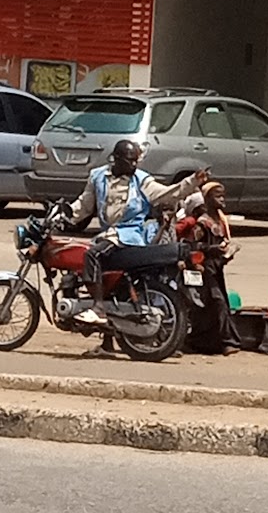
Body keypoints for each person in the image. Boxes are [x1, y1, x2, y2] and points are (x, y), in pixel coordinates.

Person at [65, 140, 206, 326]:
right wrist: (64, 215)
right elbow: (84, 205)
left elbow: (169, 193)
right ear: (116, 159)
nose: (134, 165)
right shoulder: (97, 176)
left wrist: (192, 181)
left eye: (136, 161)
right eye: (130, 160)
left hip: (127, 237)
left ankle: (98, 308)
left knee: (92, 255)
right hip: (107, 236)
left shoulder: (142, 180)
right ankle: (106, 328)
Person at [177, 179, 242, 355]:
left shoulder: (219, 221)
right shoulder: (202, 223)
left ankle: (202, 342)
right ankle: (227, 342)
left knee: (214, 305)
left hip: (216, 268)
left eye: (223, 196)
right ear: (207, 199)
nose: (222, 200)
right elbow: (192, 246)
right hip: (204, 269)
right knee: (217, 302)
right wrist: (212, 249)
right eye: (217, 196)